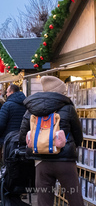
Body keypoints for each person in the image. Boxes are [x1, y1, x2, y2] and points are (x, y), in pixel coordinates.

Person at [19, 76, 83, 206]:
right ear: (60, 92)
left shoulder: (31, 109)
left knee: (44, 201)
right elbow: (78, 134)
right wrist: (72, 146)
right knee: (74, 197)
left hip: (41, 160)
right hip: (65, 160)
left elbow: (22, 135)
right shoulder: (68, 108)